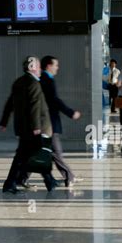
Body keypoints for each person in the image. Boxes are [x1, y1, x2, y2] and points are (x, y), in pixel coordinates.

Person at [0, 56, 59, 193]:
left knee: (26, 155)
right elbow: (34, 107)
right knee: (37, 154)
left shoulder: (18, 82)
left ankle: (47, 181)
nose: (40, 70)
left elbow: (10, 103)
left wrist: (4, 121)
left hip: (23, 128)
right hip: (34, 128)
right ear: (32, 68)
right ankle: (47, 181)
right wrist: (36, 127)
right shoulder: (33, 84)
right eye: (37, 67)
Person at [40, 56, 83, 187]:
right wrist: (71, 112)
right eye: (55, 65)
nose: (57, 68)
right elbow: (54, 100)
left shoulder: (46, 79)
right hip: (49, 121)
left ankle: (21, 178)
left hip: (48, 121)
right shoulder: (46, 80)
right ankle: (69, 177)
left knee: (46, 151)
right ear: (48, 66)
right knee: (56, 151)